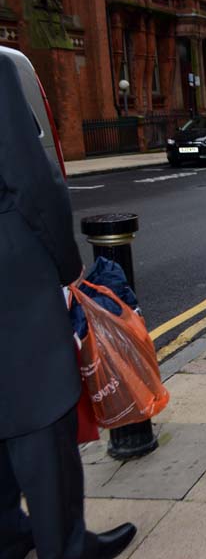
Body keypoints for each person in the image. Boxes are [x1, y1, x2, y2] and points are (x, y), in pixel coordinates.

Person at [0, 56, 136, 558]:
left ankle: (10, 535)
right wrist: (66, 264)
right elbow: (31, 179)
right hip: (12, 278)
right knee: (40, 417)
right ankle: (66, 546)